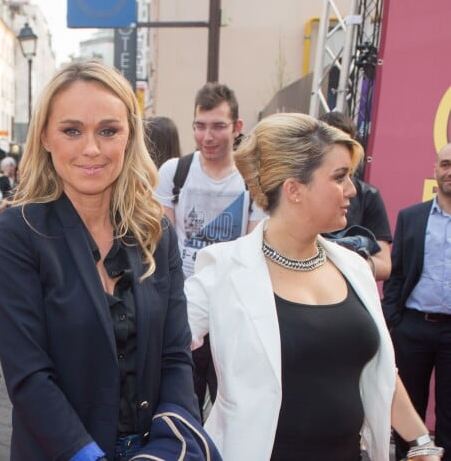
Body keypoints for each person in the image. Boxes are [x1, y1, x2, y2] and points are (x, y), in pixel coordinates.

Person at [185, 112, 445, 461]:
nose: (352, 189)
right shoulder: (223, 269)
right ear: (294, 189)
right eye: (339, 177)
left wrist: (420, 442)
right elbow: (160, 346)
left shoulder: (354, 266)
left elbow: (380, 373)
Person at [0, 61, 200, 460]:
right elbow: (28, 375)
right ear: (46, 137)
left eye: (108, 130)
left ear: (129, 136)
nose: (91, 148)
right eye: (72, 130)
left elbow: (175, 356)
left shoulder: (156, 232)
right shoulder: (18, 234)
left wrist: (171, 444)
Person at [154, 81, 265, 419]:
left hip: (231, 309)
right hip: (182, 305)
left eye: (218, 126)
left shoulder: (251, 178)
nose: (208, 136)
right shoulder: (174, 172)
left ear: (237, 127)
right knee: (181, 405)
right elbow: (163, 241)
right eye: (200, 126)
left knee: (230, 408)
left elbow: (253, 245)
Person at [383, 142, 451, 460]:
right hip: (413, 327)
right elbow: (395, 276)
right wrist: (393, 322)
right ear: (436, 170)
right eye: (445, 164)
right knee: (409, 411)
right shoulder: (412, 217)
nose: (450, 171)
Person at [319, 111, 393, 280]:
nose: (348, 192)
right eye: (331, 142)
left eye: (346, 144)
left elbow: (384, 265)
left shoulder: (368, 195)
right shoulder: (299, 188)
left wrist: (342, 262)